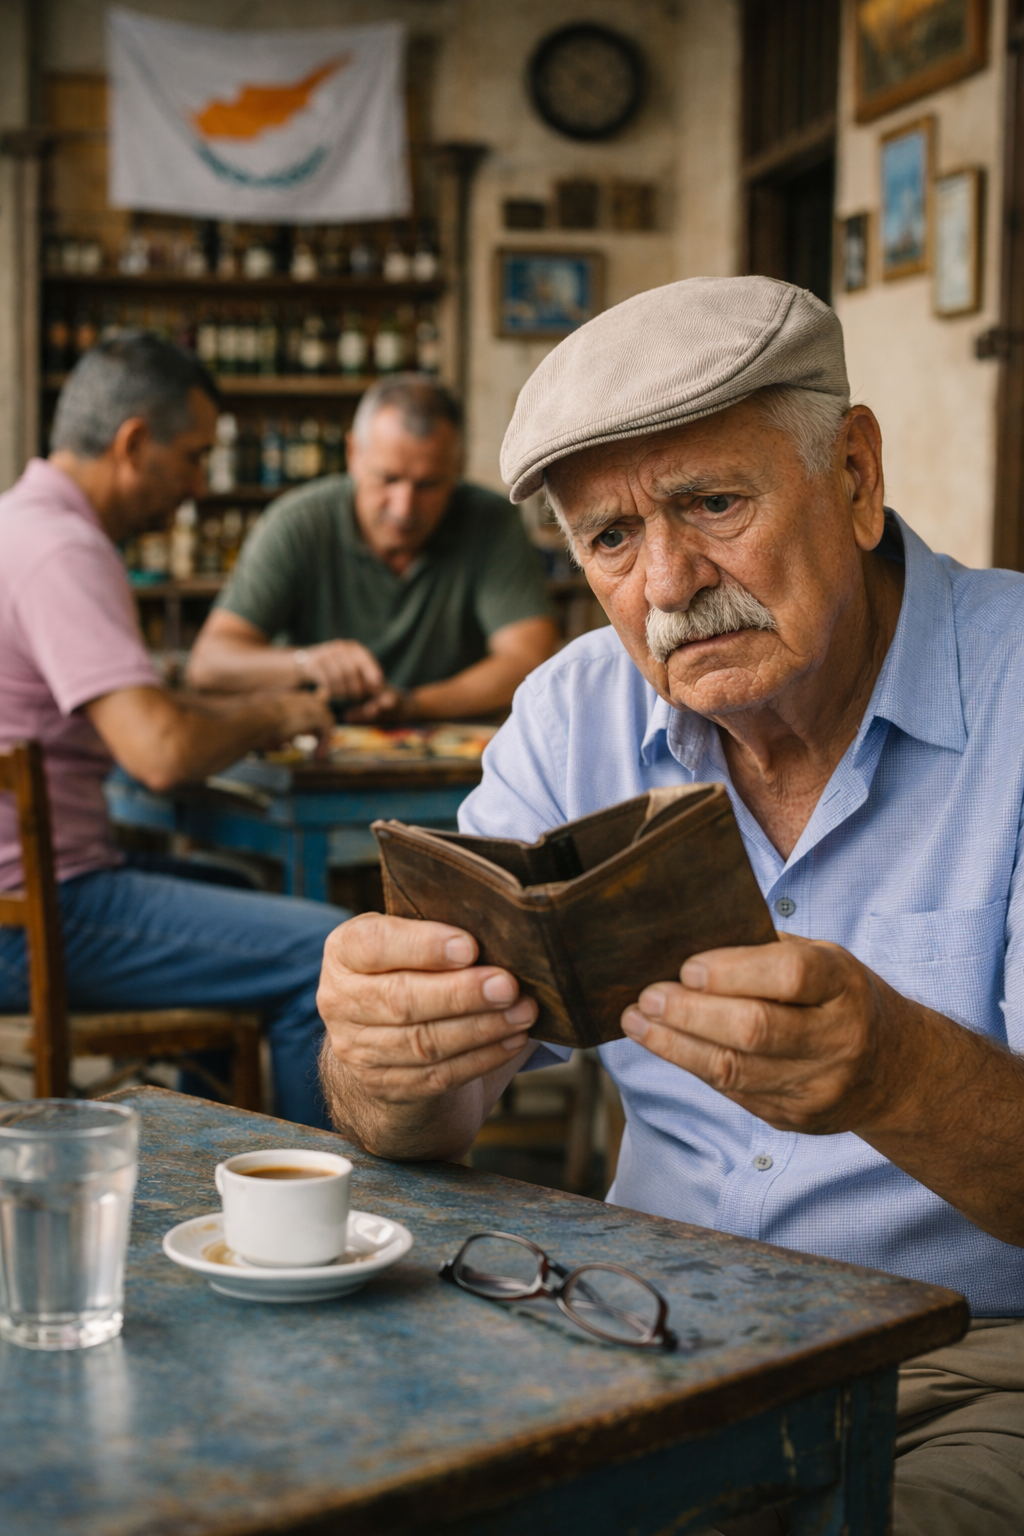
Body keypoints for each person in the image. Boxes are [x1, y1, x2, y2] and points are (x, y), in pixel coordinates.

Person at [314, 278, 1024, 1534]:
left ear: (855, 475)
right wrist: (386, 1062)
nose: (670, 583)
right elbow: (415, 1121)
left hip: (974, 1368)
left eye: (715, 503)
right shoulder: (569, 715)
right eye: (609, 541)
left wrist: (900, 1074)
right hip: (634, 1336)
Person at [0, 332, 341, 1127]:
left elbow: (142, 717)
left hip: (29, 898)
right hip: (32, 918)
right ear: (132, 444)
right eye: (192, 457)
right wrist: (279, 712)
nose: (196, 485)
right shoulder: (62, 551)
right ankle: (315, 1214)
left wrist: (238, 712)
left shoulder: (16, 524)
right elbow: (158, 755)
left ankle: (201, 1161)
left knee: (242, 890)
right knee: (331, 957)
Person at [186, 375, 561, 720]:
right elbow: (208, 666)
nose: (404, 507)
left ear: (458, 467)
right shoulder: (297, 522)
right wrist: (306, 663)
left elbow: (529, 658)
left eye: (428, 484)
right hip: (314, 747)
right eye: (388, 479)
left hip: (446, 747)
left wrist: (414, 705)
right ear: (354, 455)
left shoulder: (491, 520)